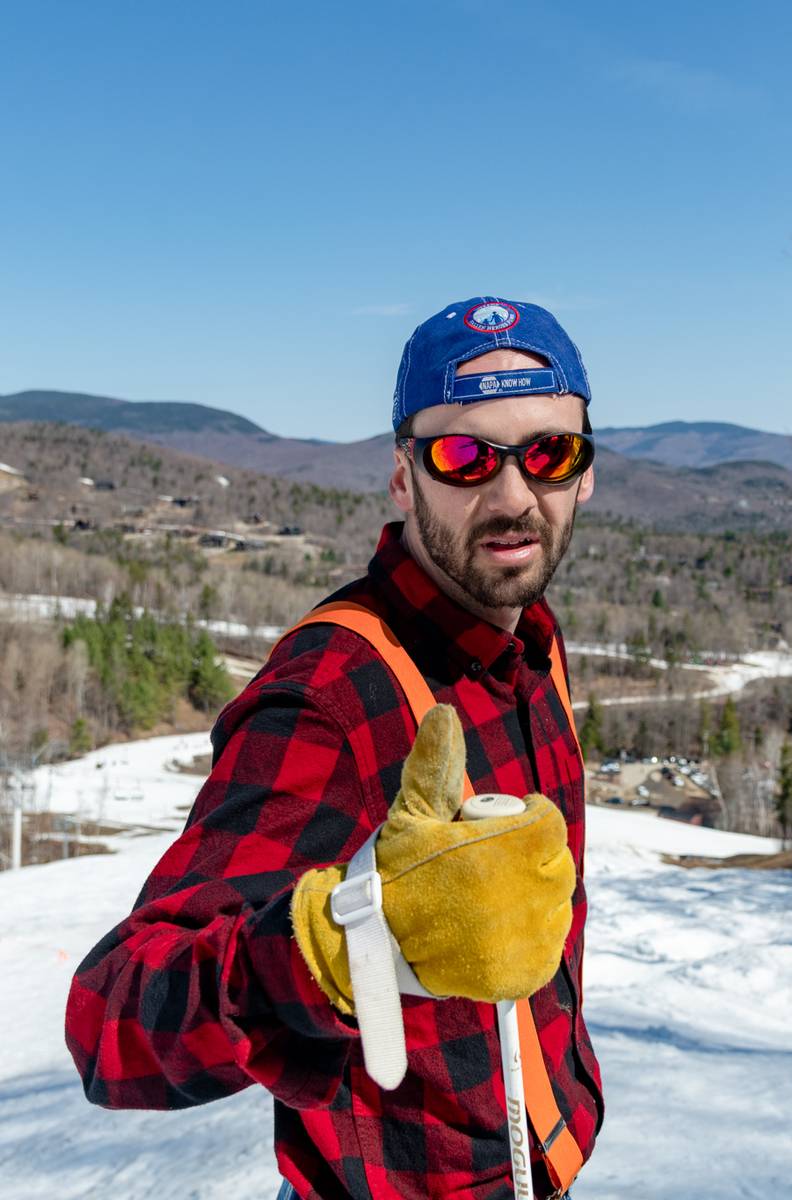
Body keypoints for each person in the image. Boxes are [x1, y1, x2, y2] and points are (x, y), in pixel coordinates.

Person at [65, 295, 604, 1200]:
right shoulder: (331, 694)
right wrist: (347, 948)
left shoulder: (529, 645)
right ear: (404, 478)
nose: (514, 497)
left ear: (585, 473)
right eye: (463, 456)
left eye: (550, 453)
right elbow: (113, 1022)